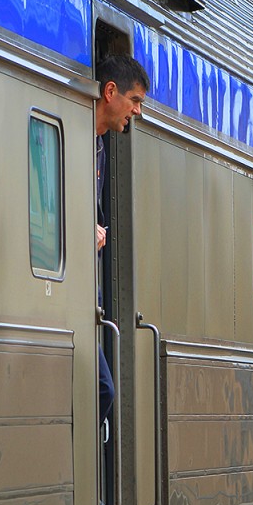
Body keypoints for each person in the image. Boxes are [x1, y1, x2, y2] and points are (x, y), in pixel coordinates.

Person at [94, 54, 150, 426]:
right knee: (103, 390)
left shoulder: (97, 147)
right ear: (110, 92)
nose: (138, 112)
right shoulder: (85, 140)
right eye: (136, 101)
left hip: (90, 301)